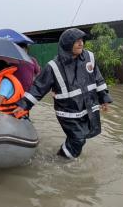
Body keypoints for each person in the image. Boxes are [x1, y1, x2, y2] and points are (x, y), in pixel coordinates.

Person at [13, 28, 113, 159]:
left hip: (87, 107)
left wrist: (104, 98)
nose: (81, 43)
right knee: (78, 139)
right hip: (67, 112)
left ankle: (62, 156)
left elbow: (98, 79)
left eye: (82, 40)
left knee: (81, 137)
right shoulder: (53, 66)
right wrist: (24, 105)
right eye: (76, 41)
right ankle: (60, 160)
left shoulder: (89, 57)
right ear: (67, 43)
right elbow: (38, 87)